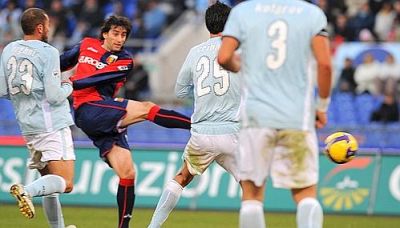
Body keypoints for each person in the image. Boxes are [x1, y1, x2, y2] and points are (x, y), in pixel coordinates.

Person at [60, 15, 191, 228]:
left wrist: (69, 83)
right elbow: (61, 61)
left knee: (128, 173)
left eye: (123, 35)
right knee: (147, 108)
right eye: (115, 33)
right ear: (104, 33)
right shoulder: (86, 44)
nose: (120, 39)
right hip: (88, 110)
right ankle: (196, 125)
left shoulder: (125, 60)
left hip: (103, 113)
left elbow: (95, 80)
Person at [218, 0, 332, 228]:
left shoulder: (243, 11)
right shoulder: (312, 13)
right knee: (305, 193)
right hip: (297, 118)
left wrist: (241, 66)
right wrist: (321, 106)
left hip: (256, 117)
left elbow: (223, 57)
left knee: (252, 195)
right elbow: (325, 65)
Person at [148, 2, 240, 227]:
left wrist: (199, 92)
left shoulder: (195, 52)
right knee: (252, 187)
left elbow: (179, 91)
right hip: (232, 133)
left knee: (181, 178)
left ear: (207, 25)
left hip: (202, 134)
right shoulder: (239, 51)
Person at [0, 8, 76, 228]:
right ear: (40, 27)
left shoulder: (9, 49)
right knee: (66, 183)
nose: (50, 29)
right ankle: (27, 190)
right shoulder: (48, 52)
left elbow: (3, 90)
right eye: (48, 25)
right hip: (51, 124)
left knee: (50, 185)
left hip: (27, 127)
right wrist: (68, 85)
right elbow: (54, 97)